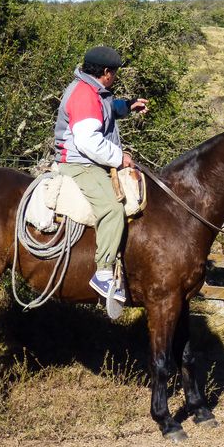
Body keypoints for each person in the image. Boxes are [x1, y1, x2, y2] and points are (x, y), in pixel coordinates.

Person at [54, 45, 148, 302]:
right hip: (79, 163)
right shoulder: (84, 94)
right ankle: (104, 273)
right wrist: (121, 158)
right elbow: (88, 142)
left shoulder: (93, 89)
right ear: (106, 72)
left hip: (89, 160)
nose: (115, 76)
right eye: (115, 73)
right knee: (111, 208)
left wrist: (128, 106)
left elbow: (105, 108)